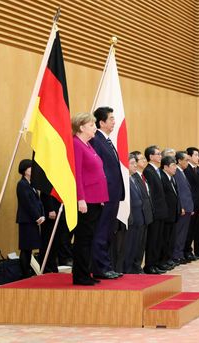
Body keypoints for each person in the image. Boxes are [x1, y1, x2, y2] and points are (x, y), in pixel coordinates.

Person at [72, 112, 109, 285]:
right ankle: (80, 276)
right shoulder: (76, 144)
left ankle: (86, 273)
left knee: (90, 238)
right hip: (86, 200)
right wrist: (81, 199)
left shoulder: (88, 145)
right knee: (84, 239)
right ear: (81, 127)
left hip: (95, 199)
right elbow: (77, 174)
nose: (95, 127)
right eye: (92, 125)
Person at [90, 106, 124, 279]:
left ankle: (107, 265)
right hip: (104, 195)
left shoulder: (108, 141)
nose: (114, 122)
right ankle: (100, 268)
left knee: (109, 231)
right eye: (111, 119)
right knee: (101, 232)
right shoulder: (96, 140)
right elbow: (98, 171)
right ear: (101, 122)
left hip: (114, 194)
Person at [123, 153, 152, 274]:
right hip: (132, 218)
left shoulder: (135, 178)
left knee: (138, 246)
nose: (135, 166)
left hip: (141, 217)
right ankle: (128, 269)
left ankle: (136, 267)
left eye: (136, 163)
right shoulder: (125, 179)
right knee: (130, 246)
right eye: (132, 163)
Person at [16, 159, 44, 279]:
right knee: (25, 247)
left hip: (33, 220)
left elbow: (38, 201)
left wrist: (42, 214)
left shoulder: (31, 184)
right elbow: (27, 203)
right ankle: (25, 273)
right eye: (30, 168)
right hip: (26, 220)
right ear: (25, 170)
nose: (32, 170)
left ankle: (27, 271)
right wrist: (37, 216)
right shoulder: (21, 184)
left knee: (30, 247)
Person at [143, 145, 168, 274]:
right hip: (155, 211)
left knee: (159, 239)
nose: (160, 156)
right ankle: (150, 265)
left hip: (161, 210)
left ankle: (157, 263)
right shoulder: (148, 171)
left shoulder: (157, 170)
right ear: (151, 156)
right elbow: (151, 193)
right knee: (152, 239)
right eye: (158, 154)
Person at [172, 151, 194, 264]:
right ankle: (176, 255)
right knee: (179, 233)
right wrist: (181, 206)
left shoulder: (182, 172)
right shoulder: (176, 173)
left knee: (183, 233)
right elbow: (179, 192)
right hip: (183, 208)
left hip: (188, 207)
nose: (188, 162)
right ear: (179, 161)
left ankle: (179, 254)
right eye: (186, 160)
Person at [160, 156, 180, 270]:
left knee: (170, 239)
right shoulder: (162, 177)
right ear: (166, 167)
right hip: (166, 214)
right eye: (173, 166)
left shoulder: (171, 178)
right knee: (164, 239)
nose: (175, 168)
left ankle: (168, 259)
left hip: (173, 213)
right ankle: (163, 260)